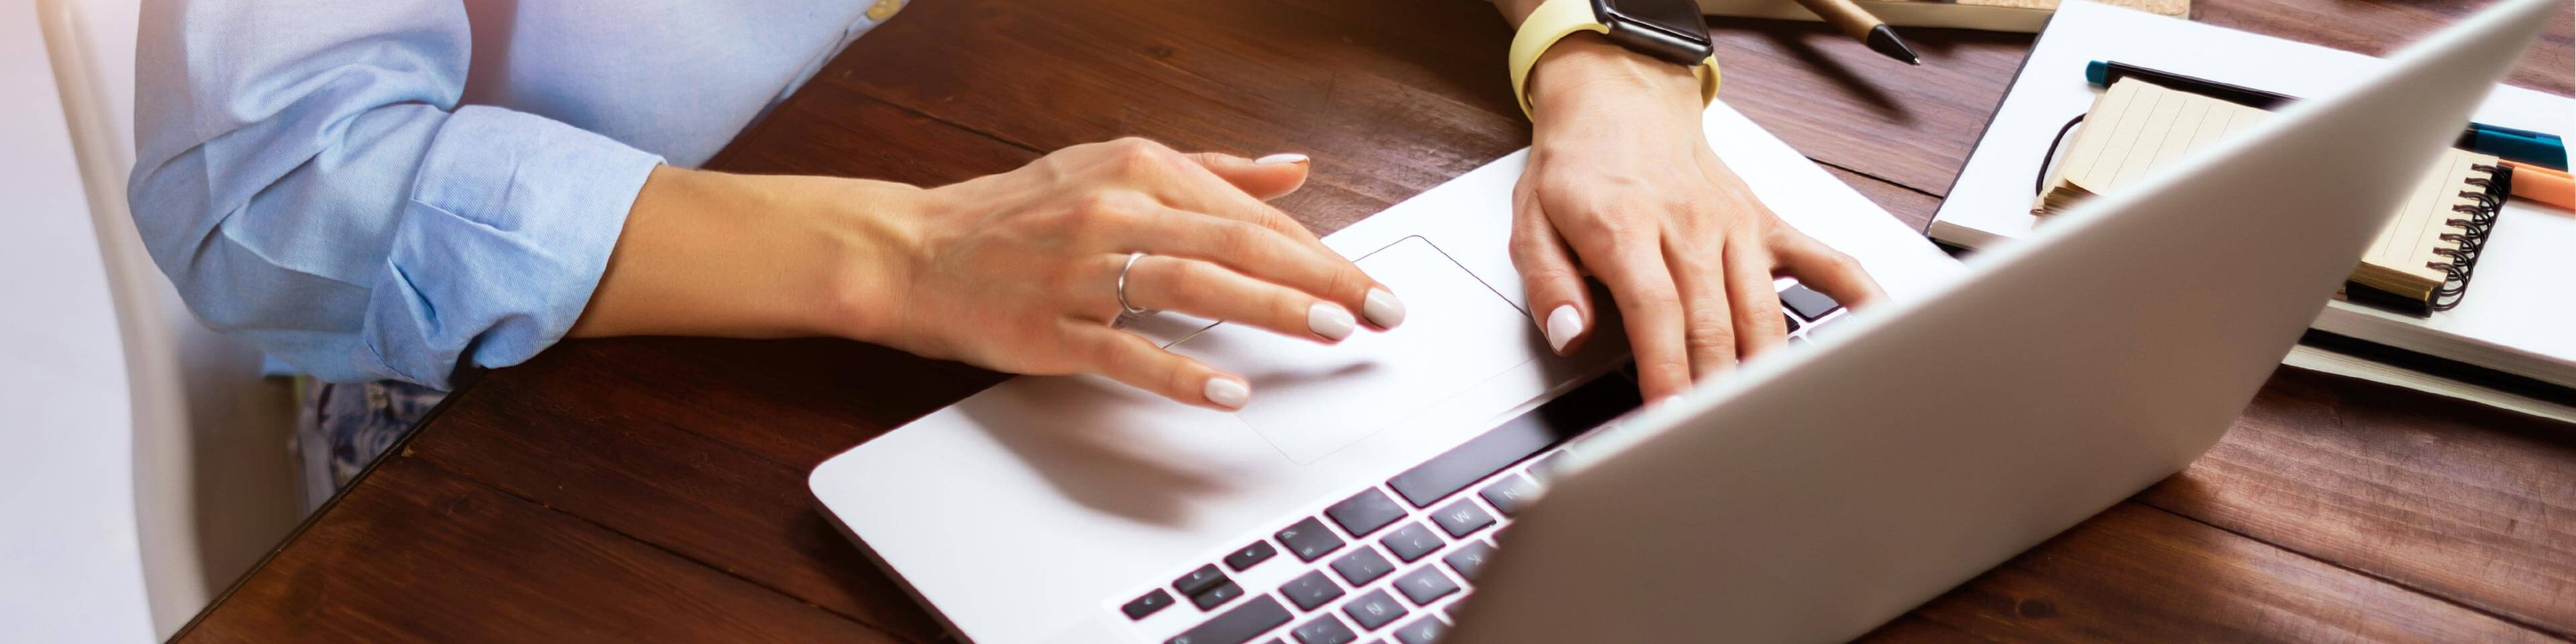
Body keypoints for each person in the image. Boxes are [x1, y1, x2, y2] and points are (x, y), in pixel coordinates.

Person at [129, 0, 1884, 493]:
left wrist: (1600, 62)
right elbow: (272, 186)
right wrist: (902, 253)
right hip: (570, 376)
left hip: (1032, 172)